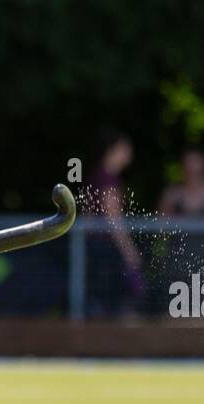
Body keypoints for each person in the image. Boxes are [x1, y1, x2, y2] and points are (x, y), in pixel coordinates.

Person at [86, 129, 143, 319]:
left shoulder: (96, 176)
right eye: (125, 148)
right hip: (105, 252)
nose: (129, 153)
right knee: (114, 303)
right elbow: (114, 219)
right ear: (113, 149)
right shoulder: (107, 180)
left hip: (95, 250)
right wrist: (130, 252)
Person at [158, 149, 204, 282]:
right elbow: (161, 226)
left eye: (197, 168)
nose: (193, 171)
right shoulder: (172, 194)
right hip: (179, 259)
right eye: (189, 167)